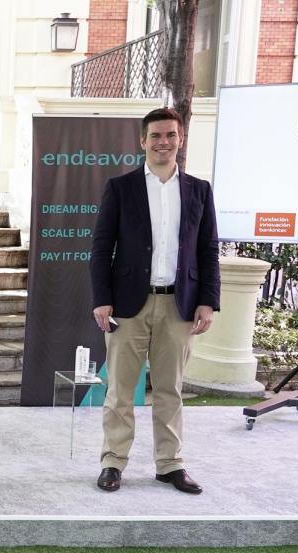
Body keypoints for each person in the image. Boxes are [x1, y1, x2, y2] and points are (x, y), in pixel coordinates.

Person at [90, 107, 220, 495]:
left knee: (170, 390)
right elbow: (101, 248)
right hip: (129, 305)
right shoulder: (121, 187)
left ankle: (170, 464)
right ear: (142, 141)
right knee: (120, 390)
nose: (164, 142)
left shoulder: (199, 190)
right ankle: (113, 462)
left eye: (171, 135)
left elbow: (208, 249)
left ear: (180, 139)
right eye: (156, 136)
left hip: (179, 306)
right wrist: (102, 299)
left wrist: (208, 301)